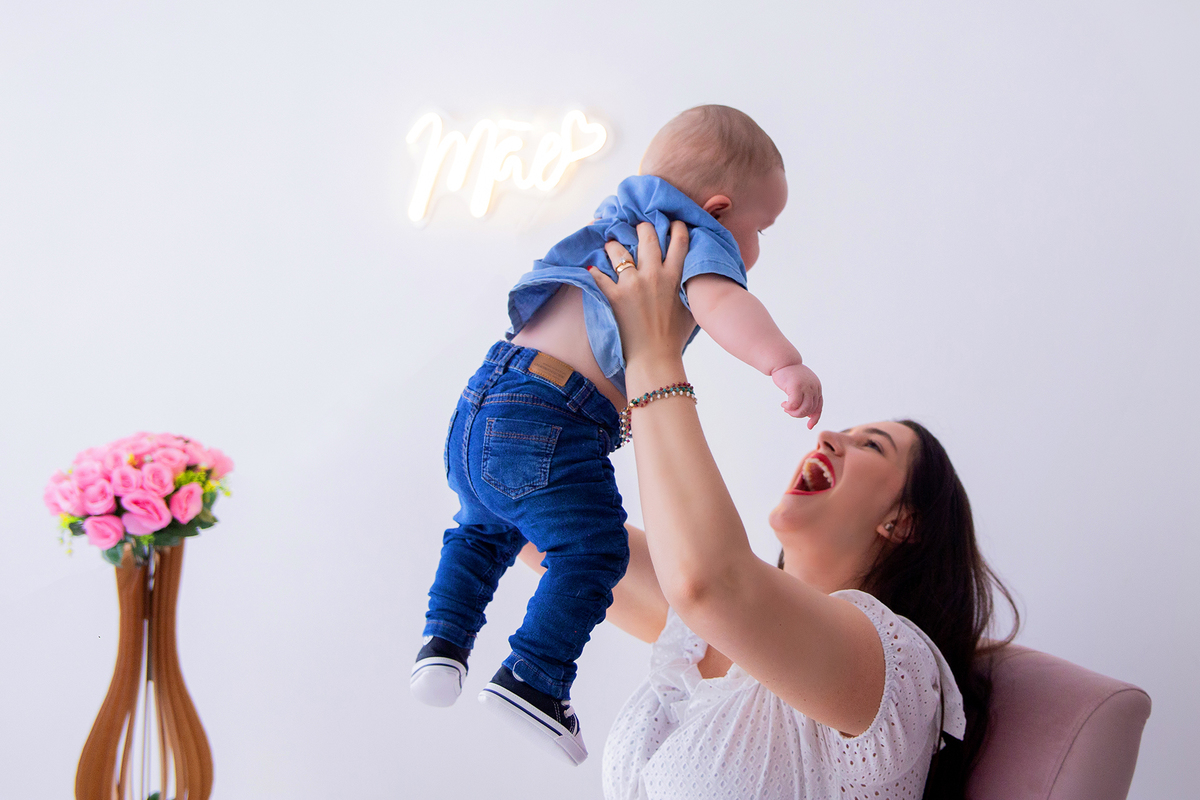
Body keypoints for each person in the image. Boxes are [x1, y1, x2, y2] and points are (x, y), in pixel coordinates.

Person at [517, 222, 1016, 798]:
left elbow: (710, 582)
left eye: (872, 445)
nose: (829, 437)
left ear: (903, 523)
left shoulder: (897, 668)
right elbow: (529, 509)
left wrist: (652, 352)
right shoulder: (699, 632)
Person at [411, 106, 823, 765]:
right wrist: (782, 361)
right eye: (760, 227)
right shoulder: (691, 231)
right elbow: (722, 305)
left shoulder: (619, 215)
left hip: (484, 395)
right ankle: (535, 675)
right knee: (593, 550)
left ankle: (441, 646)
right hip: (553, 416)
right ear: (719, 207)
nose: (755, 247)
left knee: (483, 528)